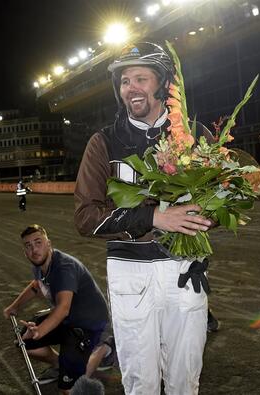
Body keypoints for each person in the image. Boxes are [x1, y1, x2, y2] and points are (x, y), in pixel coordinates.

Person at [74, 42, 215, 394]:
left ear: (164, 83)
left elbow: (219, 203)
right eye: (124, 81)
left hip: (185, 270)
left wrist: (209, 215)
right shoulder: (103, 142)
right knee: (141, 384)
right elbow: (86, 217)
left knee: (186, 381)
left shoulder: (197, 137)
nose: (130, 88)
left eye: (140, 78)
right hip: (129, 272)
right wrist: (154, 216)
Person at [3, 224, 109, 394]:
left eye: (38, 243)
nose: (34, 250)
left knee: (68, 390)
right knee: (26, 342)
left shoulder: (64, 268)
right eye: (28, 246)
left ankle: (104, 346)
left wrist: (40, 330)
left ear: (49, 244)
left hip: (88, 323)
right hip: (68, 319)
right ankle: (61, 365)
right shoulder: (40, 264)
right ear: (25, 251)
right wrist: (14, 306)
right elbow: (36, 285)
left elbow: (63, 308)